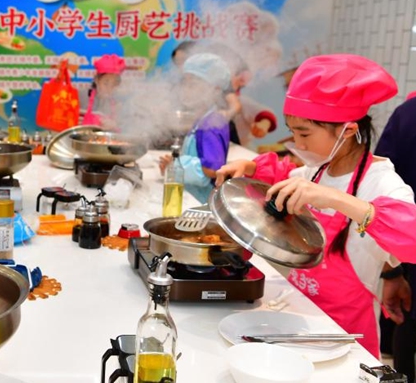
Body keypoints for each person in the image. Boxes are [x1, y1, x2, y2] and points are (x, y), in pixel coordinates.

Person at [215, 54, 416, 357]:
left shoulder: (382, 183)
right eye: (293, 131)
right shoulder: (315, 170)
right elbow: (285, 173)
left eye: (305, 133)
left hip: (347, 342)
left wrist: (335, 199)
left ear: (347, 131)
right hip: (295, 321)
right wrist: (250, 167)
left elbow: (411, 237)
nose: (298, 143)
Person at [375, 93, 416, 380]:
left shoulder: (407, 112)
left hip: (407, 231)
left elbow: (382, 170)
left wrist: (391, 269)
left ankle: (400, 370)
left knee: (408, 312)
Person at [159, 53, 232, 203]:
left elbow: (212, 170)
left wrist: (177, 166)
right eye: (184, 83)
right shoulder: (202, 118)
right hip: (192, 198)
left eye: (193, 84)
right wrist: (174, 166)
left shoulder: (213, 122)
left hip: (202, 203)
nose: (186, 89)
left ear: (215, 89)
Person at [82, 54, 125, 130]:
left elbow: (124, 128)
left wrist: (115, 126)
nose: (109, 89)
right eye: (106, 83)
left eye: (113, 84)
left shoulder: (118, 103)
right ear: (97, 80)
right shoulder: (83, 96)